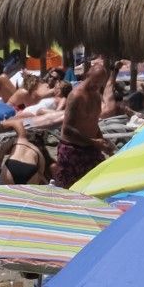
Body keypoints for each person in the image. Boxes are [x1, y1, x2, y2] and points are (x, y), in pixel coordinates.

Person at [54, 55, 112, 188]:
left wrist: (102, 141)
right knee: (69, 190)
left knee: (97, 184)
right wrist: (94, 142)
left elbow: (93, 122)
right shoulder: (76, 96)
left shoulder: (96, 96)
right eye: (94, 82)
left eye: (99, 84)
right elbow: (68, 128)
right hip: (72, 149)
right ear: (87, 75)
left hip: (91, 148)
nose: (96, 86)